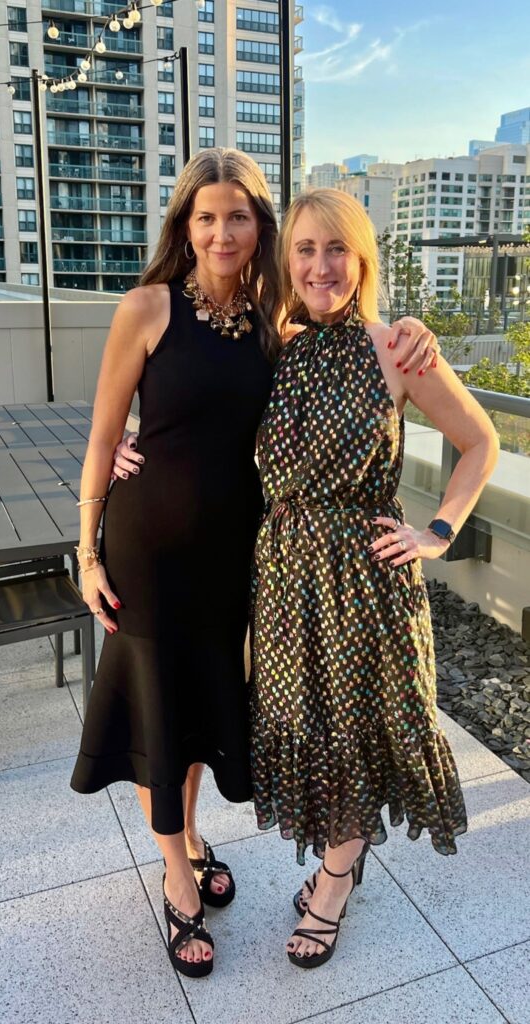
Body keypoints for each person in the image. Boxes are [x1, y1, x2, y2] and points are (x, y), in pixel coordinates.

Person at [74, 149, 438, 979]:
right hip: (148, 553)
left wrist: (413, 329)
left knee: (200, 713)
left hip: (239, 560)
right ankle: (178, 880)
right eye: (205, 217)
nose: (222, 233)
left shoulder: (277, 323)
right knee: (158, 717)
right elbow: (101, 437)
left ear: (260, 226)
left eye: (238, 216)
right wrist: (87, 551)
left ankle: (196, 841)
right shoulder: (146, 307)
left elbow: (351, 346)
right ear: (185, 225)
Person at [248, 189, 499, 969]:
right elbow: (199, 410)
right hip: (287, 579)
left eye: (337, 249)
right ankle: (343, 857)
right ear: (287, 261)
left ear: (362, 260)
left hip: (366, 583)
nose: (320, 266)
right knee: (309, 724)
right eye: (305, 249)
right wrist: (129, 443)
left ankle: (333, 881)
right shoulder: (275, 346)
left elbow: (481, 441)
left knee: (357, 732)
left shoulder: (396, 347)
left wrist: (438, 533)